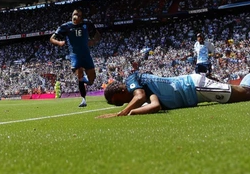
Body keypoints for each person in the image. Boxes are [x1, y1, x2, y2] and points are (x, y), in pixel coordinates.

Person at [100, 63, 250, 117]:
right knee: (241, 91)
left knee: (245, 94)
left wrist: (122, 113)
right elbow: (155, 106)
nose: (123, 104)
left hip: (193, 85)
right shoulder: (147, 91)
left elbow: (138, 97)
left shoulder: (131, 79)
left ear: (121, 91)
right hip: (194, 91)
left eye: (119, 102)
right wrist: (131, 112)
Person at [50, 9, 100, 107]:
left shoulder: (87, 24)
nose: (75, 16)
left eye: (78, 15)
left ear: (81, 17)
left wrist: (93, 41)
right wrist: (59, 42)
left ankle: (87, 80)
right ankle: (83, 99)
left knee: (92, 80)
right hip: (75, 56)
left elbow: (97, 35)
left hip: (86, 55)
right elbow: (52, 38)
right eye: (74, 14)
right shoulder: (66, 27)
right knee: (79, 74)